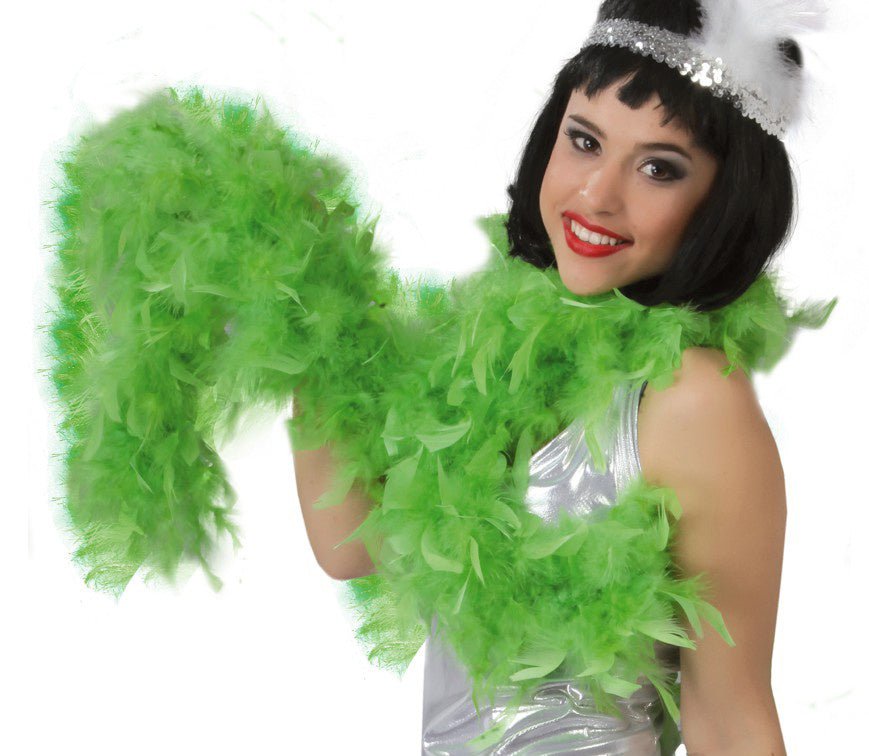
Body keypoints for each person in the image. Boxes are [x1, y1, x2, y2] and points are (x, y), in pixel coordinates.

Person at [292, 1, 824, 753]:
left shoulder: (691, 400)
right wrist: (308, 311)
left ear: (722, 201)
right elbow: (352, 545)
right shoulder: (499, 345)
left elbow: (730, 721)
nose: (597, 195)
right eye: (585, 141)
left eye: (658, 168)